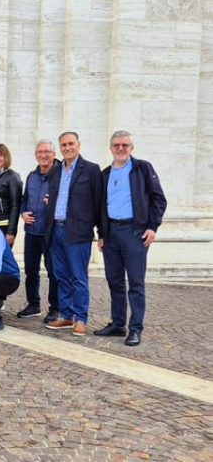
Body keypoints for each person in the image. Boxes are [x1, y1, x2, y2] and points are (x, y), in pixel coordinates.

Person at [95, 130, 167, 346]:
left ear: (131, 148)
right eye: (116, 145)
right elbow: (100, 206)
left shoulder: (142, 168)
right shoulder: (105, 173)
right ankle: (118, 324)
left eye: (125, 145)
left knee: (135, 282)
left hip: (134, 232)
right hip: (111, 234)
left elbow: (159, 199)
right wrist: (101, 234)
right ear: (110, 148)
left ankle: (135, 328)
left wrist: (153, 227)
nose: (120, 149)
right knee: (114, 281)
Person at [44, 131, 104, 337]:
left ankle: (81, 318)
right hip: (56, 230)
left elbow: (99, 204)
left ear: (79, 145)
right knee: (61, 275)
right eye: (64, 145)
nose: (67, 148)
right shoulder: (56, 170)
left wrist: (101, 232)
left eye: (71, 144)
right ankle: (67, 315)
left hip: (78, 232)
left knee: (78, 276)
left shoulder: (91, 170)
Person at [17, 139, 61, 323]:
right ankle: (33, 304)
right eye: (40, 152)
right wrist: (23, 213)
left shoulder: (60, 175)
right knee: (31, 270)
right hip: (32, 231)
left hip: (51, 232)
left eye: (47, 152)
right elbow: (24, 199)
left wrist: (54, 203)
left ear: (54, 154)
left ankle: (55, 308)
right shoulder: (31, 176)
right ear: (36, 155)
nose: (43, 155)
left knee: (53, 272)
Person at [0, 143, 23, 245]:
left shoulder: (12, 177)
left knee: (2, 257)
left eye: (0, 156)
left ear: (6, 157)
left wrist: (11, 231)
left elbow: (16, 205)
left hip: (4, 224)